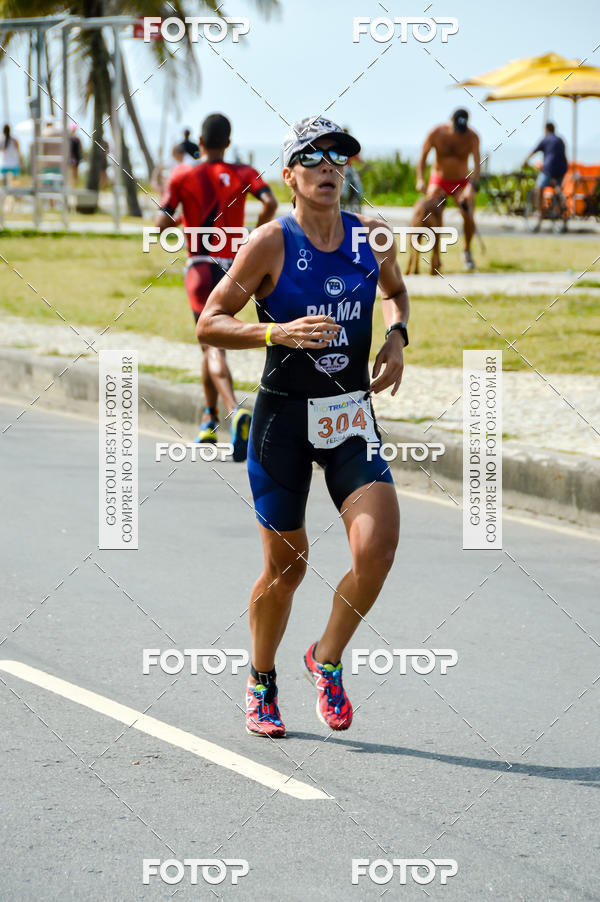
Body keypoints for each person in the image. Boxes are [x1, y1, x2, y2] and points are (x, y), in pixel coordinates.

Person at [197, 116, 409, 737]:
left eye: (337, 158)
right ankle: (261, 679)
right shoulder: (270, 242)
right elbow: (209, 322)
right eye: (311, 158)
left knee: (378, 549)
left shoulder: (372, 238)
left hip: (349, 418)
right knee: (288, 569)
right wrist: (275, 331)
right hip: (283, 422)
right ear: (289, 175)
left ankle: (327, 657)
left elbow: (395, 293)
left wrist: (396, 336)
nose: (327, 167)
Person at [155, 113, 278, 459]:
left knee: (211, 345)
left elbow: (160, 222)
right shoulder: (244, 173)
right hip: (233, 268)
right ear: (228, 141)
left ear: (201, 142)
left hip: (201, 267)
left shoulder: (183, 175)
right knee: (208, 342)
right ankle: (208, 423)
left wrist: (182, 219)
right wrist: (253, 235)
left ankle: (233, 409)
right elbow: (269, 202)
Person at [416, 108, 481, 271]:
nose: (459, 132)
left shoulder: (472, 136)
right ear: (450, 120)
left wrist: (471, 187)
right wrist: (420, 179)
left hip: (461, 182)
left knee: (468, 213)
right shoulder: (436, 133)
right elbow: (422, 157)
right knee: (432, 212)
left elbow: (477, 164)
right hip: (439, 180)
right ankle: (435, 257)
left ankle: (466, 250)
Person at [522, 122, 568, 232]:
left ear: (546, 130)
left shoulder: (545, 139)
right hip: (562, 168)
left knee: (539, 189)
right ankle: (560, 200)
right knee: (556, 186)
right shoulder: (560, 140)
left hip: (549, 168)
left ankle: (540, 213)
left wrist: (525, 161)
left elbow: (534, 151)